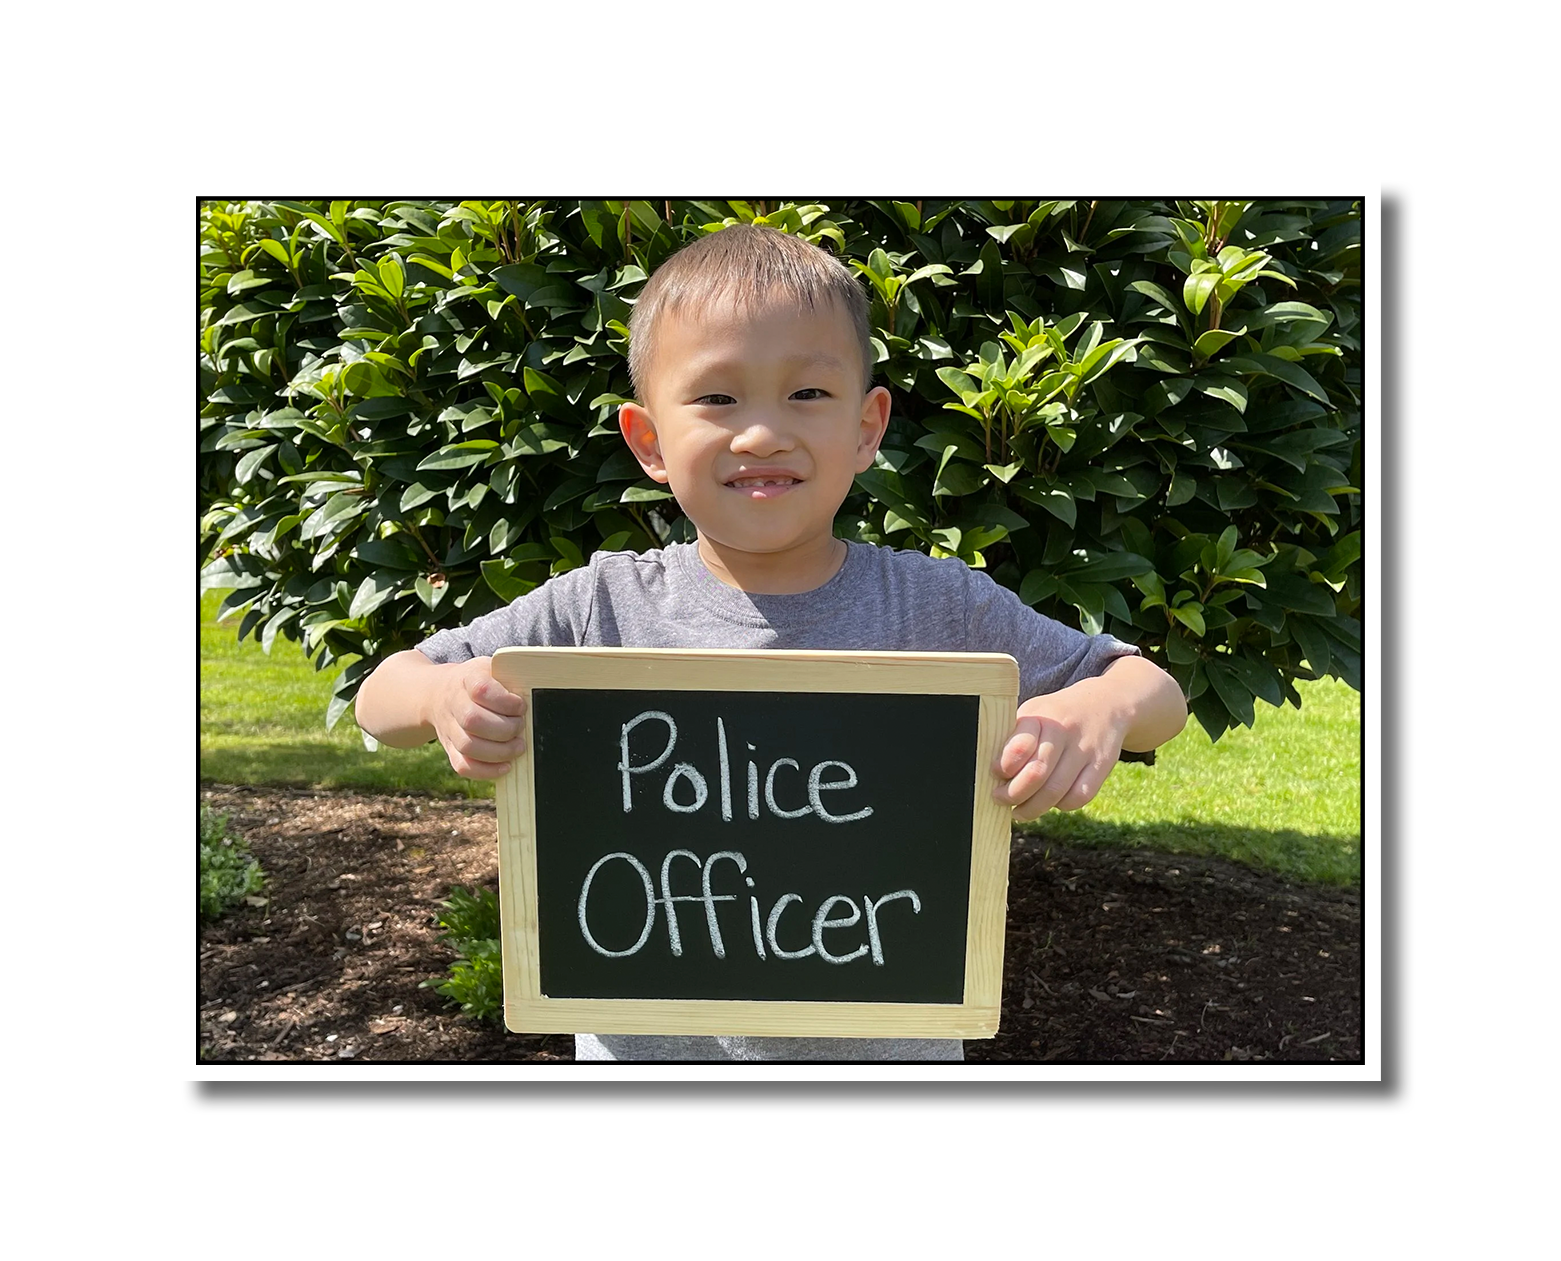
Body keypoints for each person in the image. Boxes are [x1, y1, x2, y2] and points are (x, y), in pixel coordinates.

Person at [354, 223, 1188, 1061]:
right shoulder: (596, 609)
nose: (761, 433)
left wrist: (1101, 703)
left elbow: (1153, 694)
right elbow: (382, 697)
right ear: (648, 441)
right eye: (716, 398)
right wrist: (440, 698)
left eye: (807, 396)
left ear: (866, 429)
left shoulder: (940, 608)